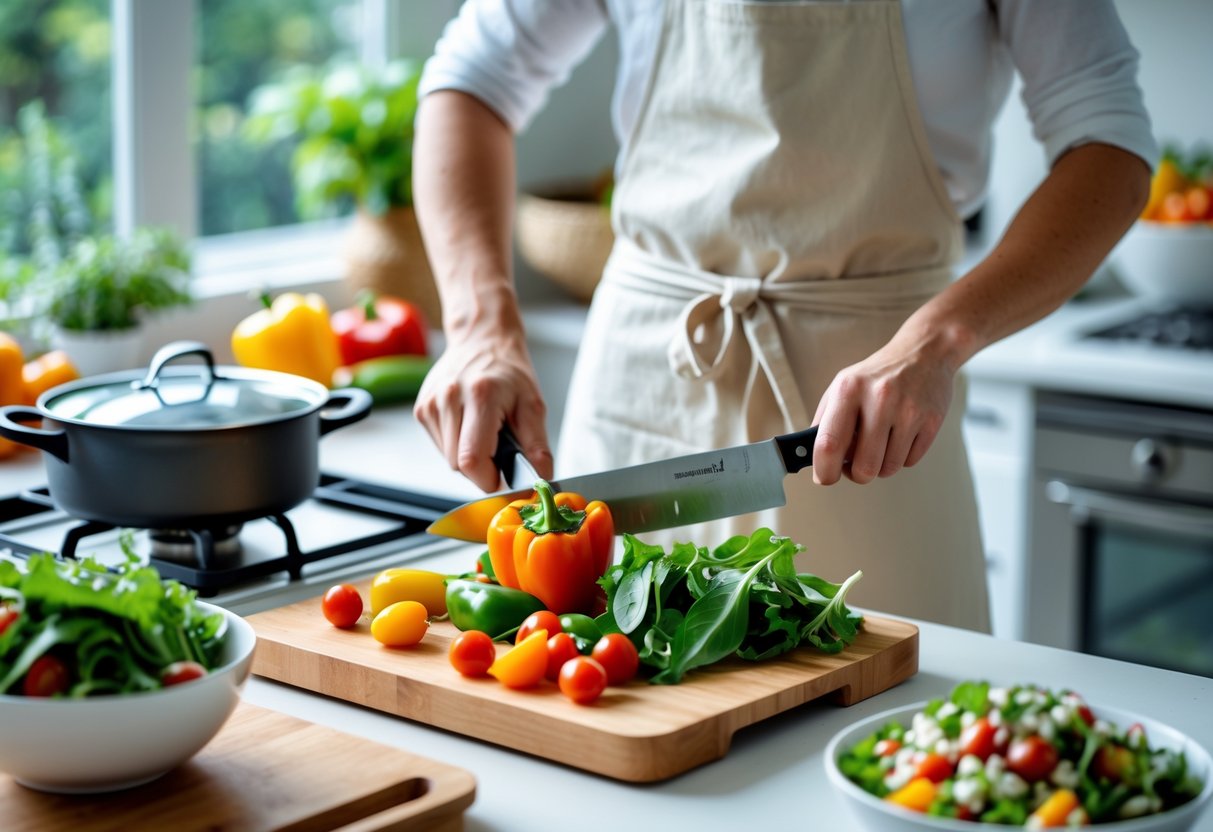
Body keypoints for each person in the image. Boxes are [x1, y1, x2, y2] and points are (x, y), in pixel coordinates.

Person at [410, 0, 1156, 631]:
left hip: (873, 424)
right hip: (644, 381)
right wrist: (479, 327)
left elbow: (1109, 144)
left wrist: (935, 342)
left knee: (877, 738)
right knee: (612, 714)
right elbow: (470, 83)